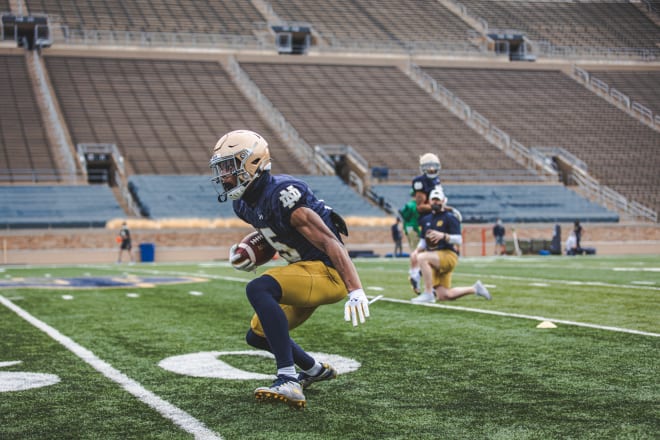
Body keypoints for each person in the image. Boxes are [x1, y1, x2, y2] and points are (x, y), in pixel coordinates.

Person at [209, 129, 370, 409]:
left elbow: (330, 241)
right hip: (306, 271)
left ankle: (288, 379)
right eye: (222, 169)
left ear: (252, 163)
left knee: (259, 288)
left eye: (229, 167)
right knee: (257, 335)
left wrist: (355, 289)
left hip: (327, 272)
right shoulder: (243, 204)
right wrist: (252, 255)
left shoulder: (283, 194)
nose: (224, 176)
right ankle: (312, 369)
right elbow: (275, 237)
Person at [411, 186, 492, 304]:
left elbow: (459, 240)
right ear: (429, 201)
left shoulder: (450, 217)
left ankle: (428, 293)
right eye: (433, 199)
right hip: (435, 258)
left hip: (447, 255)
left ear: (444, 201)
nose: (435, 202)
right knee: (444, 295)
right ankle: (475, 288)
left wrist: (443, 236)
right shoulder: (426, 219)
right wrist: (416, 251)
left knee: (422, 258)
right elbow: (423, 240)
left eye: (438, 199)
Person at [408, 153, 441, 294]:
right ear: (423, 168)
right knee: (430, 251)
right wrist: (435, 207)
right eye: (429, 167)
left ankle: (416, 274)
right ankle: (418, 276)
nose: (432, 169)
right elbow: (420, 207)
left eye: (435, 166)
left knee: (427, 250)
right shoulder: (420, 182)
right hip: (427, 219)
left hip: (433, 218)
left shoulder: (437, 181)